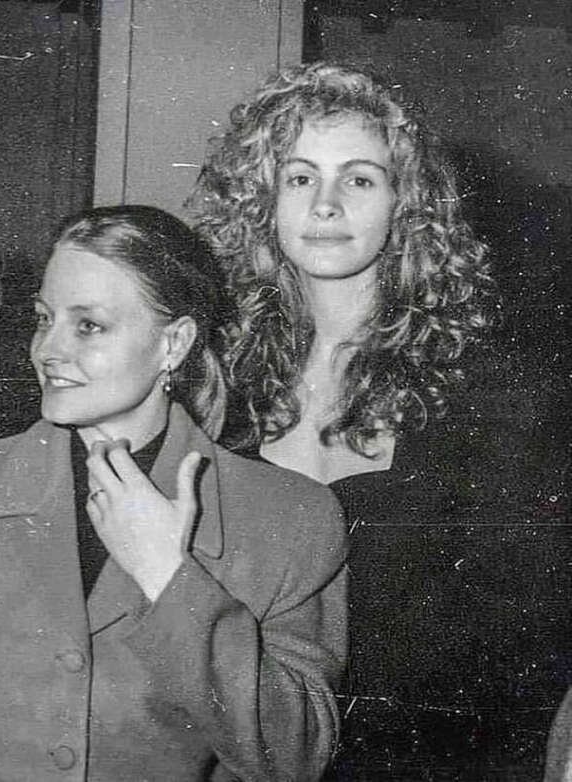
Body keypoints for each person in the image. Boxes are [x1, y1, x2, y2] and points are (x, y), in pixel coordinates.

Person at [191, 62, 569, 776]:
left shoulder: (499, 398)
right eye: (300, 178)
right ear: (262, 200)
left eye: (359, 179)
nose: (326, 204)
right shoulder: (211, 387)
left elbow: (525, 659)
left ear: (405, 204)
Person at [0, 205, 347, 781]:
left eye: (88, 325)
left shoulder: (289, 520)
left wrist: (168, 574)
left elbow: (294, 758)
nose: (48, 349)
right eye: (44, 318)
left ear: (175, 343)